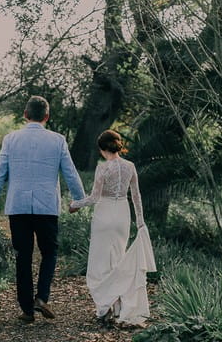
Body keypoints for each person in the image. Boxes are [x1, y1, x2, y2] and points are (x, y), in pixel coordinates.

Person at [0, 96, 85, 323]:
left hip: (18, 207)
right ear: (46, 117)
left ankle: (27, 310)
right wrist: (78, 200)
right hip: (47, 207)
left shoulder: (11, 139)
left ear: (25, 115)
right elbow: (71, 173)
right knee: (49, 252)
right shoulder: (58, 140)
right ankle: (42, 297)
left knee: (23, 256)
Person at [69, 130, 156, 326]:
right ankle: (117, 307)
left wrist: (74, 204)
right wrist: (140, 221)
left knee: (99, 264)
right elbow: (136, 196)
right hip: (122, 216)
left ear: (101, 149)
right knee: (117, 260)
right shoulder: (130, 166)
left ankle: (105, 307)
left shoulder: (103, 168)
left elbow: (94, 198)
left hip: (104, 215)